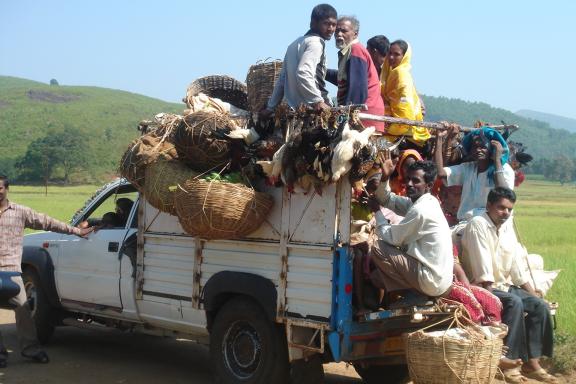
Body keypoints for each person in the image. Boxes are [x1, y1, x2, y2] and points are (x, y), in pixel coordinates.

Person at [461, 187, 556, 383]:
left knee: (539, 306)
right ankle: (509, 363)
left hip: (503, 285)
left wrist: (534, 294)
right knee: (514, 303)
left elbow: (516, 269)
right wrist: (490, 302)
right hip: (480, 286)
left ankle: (532, 363)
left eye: (509, 209)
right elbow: (483, 272)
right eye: (501, 208)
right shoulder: (477, 225)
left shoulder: (506, 228)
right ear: (489, 206)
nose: (505, 213)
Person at [0, 175, 93, 367]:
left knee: (23, 309)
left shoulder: (20, 212)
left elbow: (48, 222)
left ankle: (31, 349)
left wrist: (76, 231)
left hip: (11, 271)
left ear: (6, 189)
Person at [366, 160, 453, 299]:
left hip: (431, 281)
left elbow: (391, 238)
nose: (410, 184)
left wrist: (377, 211)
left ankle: (412, 293)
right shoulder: (425, 202)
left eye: (416, 181)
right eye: (408, 180)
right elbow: (387, 199)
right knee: (377, 277)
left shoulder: (421, 210)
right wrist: (385, 177)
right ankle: (408, 291)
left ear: (429, 186)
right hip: (439, 281)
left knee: (377, 247)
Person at [261, 4, 337, 116]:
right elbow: (303, 72)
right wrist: (317, 101)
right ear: (313, 24)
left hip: (295, 109)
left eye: (333, 24)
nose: (331, 29)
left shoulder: (294, 44)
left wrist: (270, 107)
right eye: (326, 23)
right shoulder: (316, 43)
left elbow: (282, 80)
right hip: (315, 108)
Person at [435, 126, 515, 223]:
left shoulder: (504, 169)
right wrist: (439, 139)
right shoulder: (468, 168)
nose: (478, 150)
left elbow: (505, 196)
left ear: (492, 149)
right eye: (475, 147)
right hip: (465, 224)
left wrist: (497, 160)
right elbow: (441, 174)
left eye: (483, 146)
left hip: (490, 225)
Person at [325, 16, 385, 131]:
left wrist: (346, 118)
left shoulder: (356, 50)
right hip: (362, 114)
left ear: (355, 34)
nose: (339, 34)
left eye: (344, 31)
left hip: (364, 116)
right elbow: (344, 78)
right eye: (337, 31)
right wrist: (321, 72)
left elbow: (358, 87)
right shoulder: (347, 51)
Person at [380, 40, 430, 146]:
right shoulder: (393, 72)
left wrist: (390, 129)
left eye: (396, 54)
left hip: (405, 133)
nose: (391, 57)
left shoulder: (399, 73)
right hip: (401, 128)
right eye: (390, 53)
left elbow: (404, 111)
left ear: (404, 57)